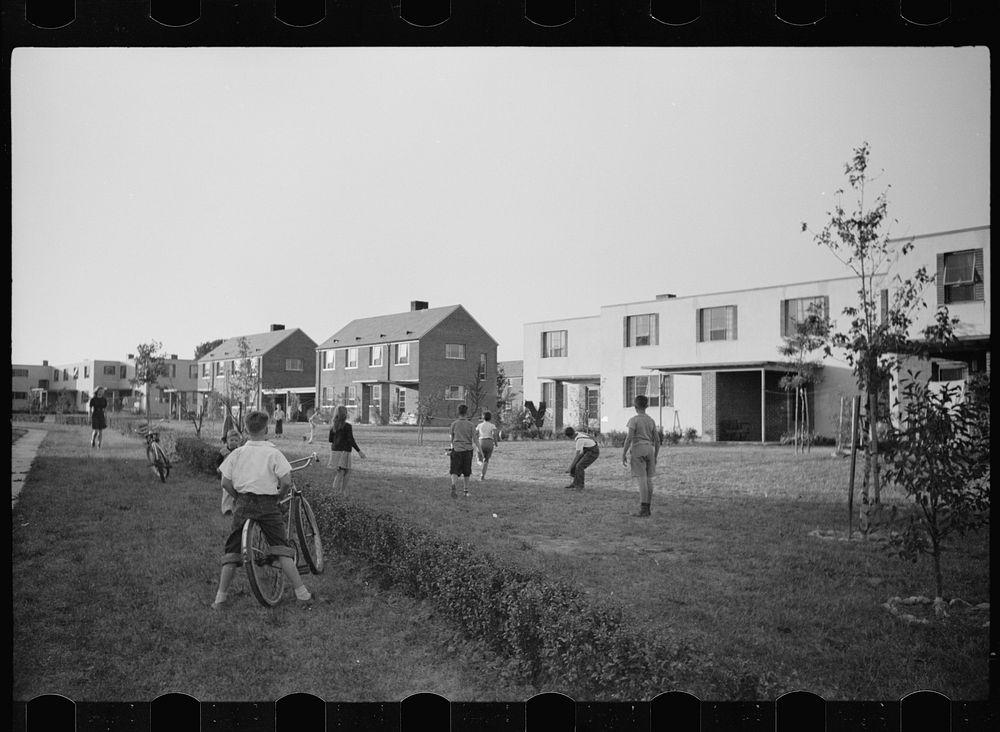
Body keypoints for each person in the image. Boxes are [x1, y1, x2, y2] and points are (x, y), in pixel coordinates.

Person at [212, 410, 319, 610]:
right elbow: (286, 481)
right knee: (280, 547)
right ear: (267, 429)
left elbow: (225, 482)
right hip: (268, 504)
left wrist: (237, 498)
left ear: (245, 430)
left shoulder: (237, 453)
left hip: (244, 503)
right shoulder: (273, 453)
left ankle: (220, 598)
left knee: (233, 548)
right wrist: (279, 496)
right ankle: (302, 593)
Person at [621, 394, 661, 517]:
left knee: (642, 480)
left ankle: (643, 509)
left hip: (638, 449)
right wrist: (655, 456)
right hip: (650, 449)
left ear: (635, 406)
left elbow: (629, 438)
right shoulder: (651, 420)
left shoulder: (634, 420)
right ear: (647, 406)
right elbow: (657, 440)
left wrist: (624, 453)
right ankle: (648, 508)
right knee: (648, 480)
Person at [328, 405, 366, 494]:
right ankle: (338, 492)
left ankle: (338, 492)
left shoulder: (333, 426)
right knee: (343, 472)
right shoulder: (347, 426)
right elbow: (350, 440)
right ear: (345, 414)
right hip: (344, 451)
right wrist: (359, 451)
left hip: (335, 451)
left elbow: (330, 440)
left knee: (342, 471)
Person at [449, 404, 480, 498]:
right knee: (466, 471)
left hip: (457, 450)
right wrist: (480, 451)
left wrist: (452, 447)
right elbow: (475, 439)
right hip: (467, 450)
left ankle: (454, 485)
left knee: (454, 470)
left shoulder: (453, 424)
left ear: (458, 412)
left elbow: (452, 438)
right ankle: (465, 491)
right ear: (467, 413)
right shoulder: (471, 425)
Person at [563, 425, 600, 491]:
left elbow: (577, 455)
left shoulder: (579, 440)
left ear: (570, 436)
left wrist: (570, 468)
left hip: (593, 452)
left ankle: (580, 486)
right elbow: (589, 435)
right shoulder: (578, 433)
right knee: (576, 465)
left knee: (579, 466)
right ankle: (575, 483)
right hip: (588, 449)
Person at [216, 429, 243, 515]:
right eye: (231, 440)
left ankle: (234, 507)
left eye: (236, 440)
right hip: (226, 473)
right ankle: (226, 508)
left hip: (236, 473)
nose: (233, 442)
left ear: (239, 441)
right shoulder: (224, 451)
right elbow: (218, 461)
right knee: (226, 491)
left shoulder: (239, 451)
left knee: (235, 489)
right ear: (227, 440)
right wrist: (218, 468)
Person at [475, 411, 500, 480]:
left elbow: (475, 433)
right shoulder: (492, 425)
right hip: (489, 442)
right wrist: (495, 442)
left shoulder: (479, 425)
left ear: (483, 418)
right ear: (490, 418)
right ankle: (482, 476)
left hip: (481, 441)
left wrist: (475, 441)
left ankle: (479, 459)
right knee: (486, 460)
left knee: (478, 453)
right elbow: (494, 434)